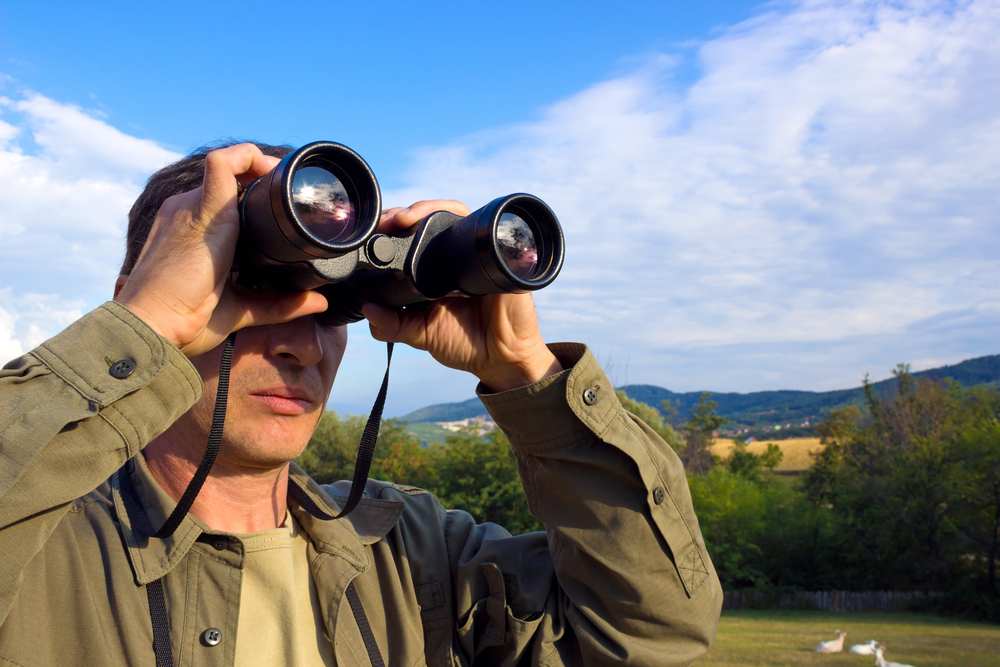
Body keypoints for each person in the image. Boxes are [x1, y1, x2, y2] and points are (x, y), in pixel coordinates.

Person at [0, 141, 722, 666]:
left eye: (334, 306)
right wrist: (143, 326)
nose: (302, 346)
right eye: (252, 292)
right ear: (145, 300)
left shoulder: (415, 554)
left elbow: (654, 634)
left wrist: (525, 372)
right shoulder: (42, 545)